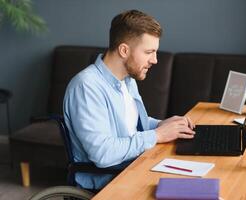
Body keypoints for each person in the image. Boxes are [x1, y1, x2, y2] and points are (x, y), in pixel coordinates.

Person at [63, 9, 195, 190]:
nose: (155, 60)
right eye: (149, 52)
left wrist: (161, 125)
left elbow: (130, 126)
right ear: (124, 50)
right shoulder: (86, 87)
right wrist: (157, 135)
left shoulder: (127, 79)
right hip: (111, 181)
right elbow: (103, 154)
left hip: (134, 166)